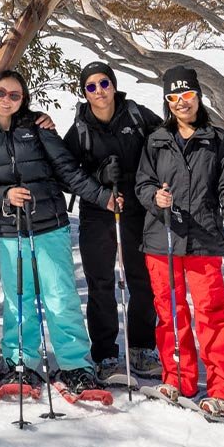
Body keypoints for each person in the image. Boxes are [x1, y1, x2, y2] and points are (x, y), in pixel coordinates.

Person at [0, 70, 117, 395]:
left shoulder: (37, 127)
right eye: (1, 93)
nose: (7, 99)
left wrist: (103, 197)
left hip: (49, 225)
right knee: (18, 300)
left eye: (15, 95)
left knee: (60, 297)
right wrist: (4, 196)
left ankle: (76, 365)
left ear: (23, 99)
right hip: (9, 230)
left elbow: (67, 170)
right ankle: (21, 364)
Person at [135, 65, 224, 417]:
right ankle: (178, 379)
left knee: (213, 313)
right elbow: (143, 183)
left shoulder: (217, 139)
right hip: (162, 238)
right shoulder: (156, 140)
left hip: (203, 238)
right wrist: (155, 197)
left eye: (186, 95)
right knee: (170, 312)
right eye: (173, 97)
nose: (180, 103)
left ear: (198, 96)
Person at [64, 61, 162, 381]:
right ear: (84, 93)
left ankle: (142, 347)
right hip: (97, 213)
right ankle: (105, 354)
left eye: (104, 83)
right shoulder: (79, 129)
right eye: (91, 87)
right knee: (101, 284)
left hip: (136, 209)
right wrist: (98, 176)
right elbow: (66, 174)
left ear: (113, 84)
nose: (99, 91)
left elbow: (167, 144)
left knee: (141, 279)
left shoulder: (137, 115)